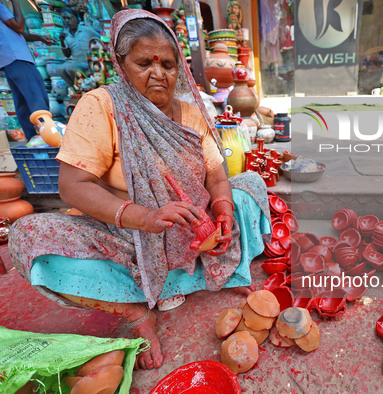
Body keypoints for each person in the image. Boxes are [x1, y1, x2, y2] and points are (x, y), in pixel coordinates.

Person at [9, 9, 271, 371]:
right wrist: (145, 217)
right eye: (144, 62)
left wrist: (223, 207)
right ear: (120, 62)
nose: (158, 74)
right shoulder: (102, 106)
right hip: (130, 237)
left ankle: (205, 273)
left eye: (167, 63)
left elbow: (216, 173)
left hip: (198, 234)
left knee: (251, 186)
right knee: (28, 236)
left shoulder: (192, 113)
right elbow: (72, 186)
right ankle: (135, 310)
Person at [0, 0, 56, 140]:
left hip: (10, 61)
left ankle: (34, 140)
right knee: (37, 100)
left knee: (23, 104)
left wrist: (40, 38)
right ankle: (49, 138)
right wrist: (16, 3)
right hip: (18, 58)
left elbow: (17, 32)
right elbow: (19, 27)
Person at [56, 8, 100, 87]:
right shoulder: (65, 34)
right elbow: (67, 55)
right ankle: (75, 87)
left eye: (69, 18)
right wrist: (62, 41)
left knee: (71, 68)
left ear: (76, 19)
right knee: (59, 68)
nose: (67, 21)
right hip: (76, 62)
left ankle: (81, 86)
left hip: (88, 63)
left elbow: (100, 39)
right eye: (64, 19)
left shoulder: (87, 30)